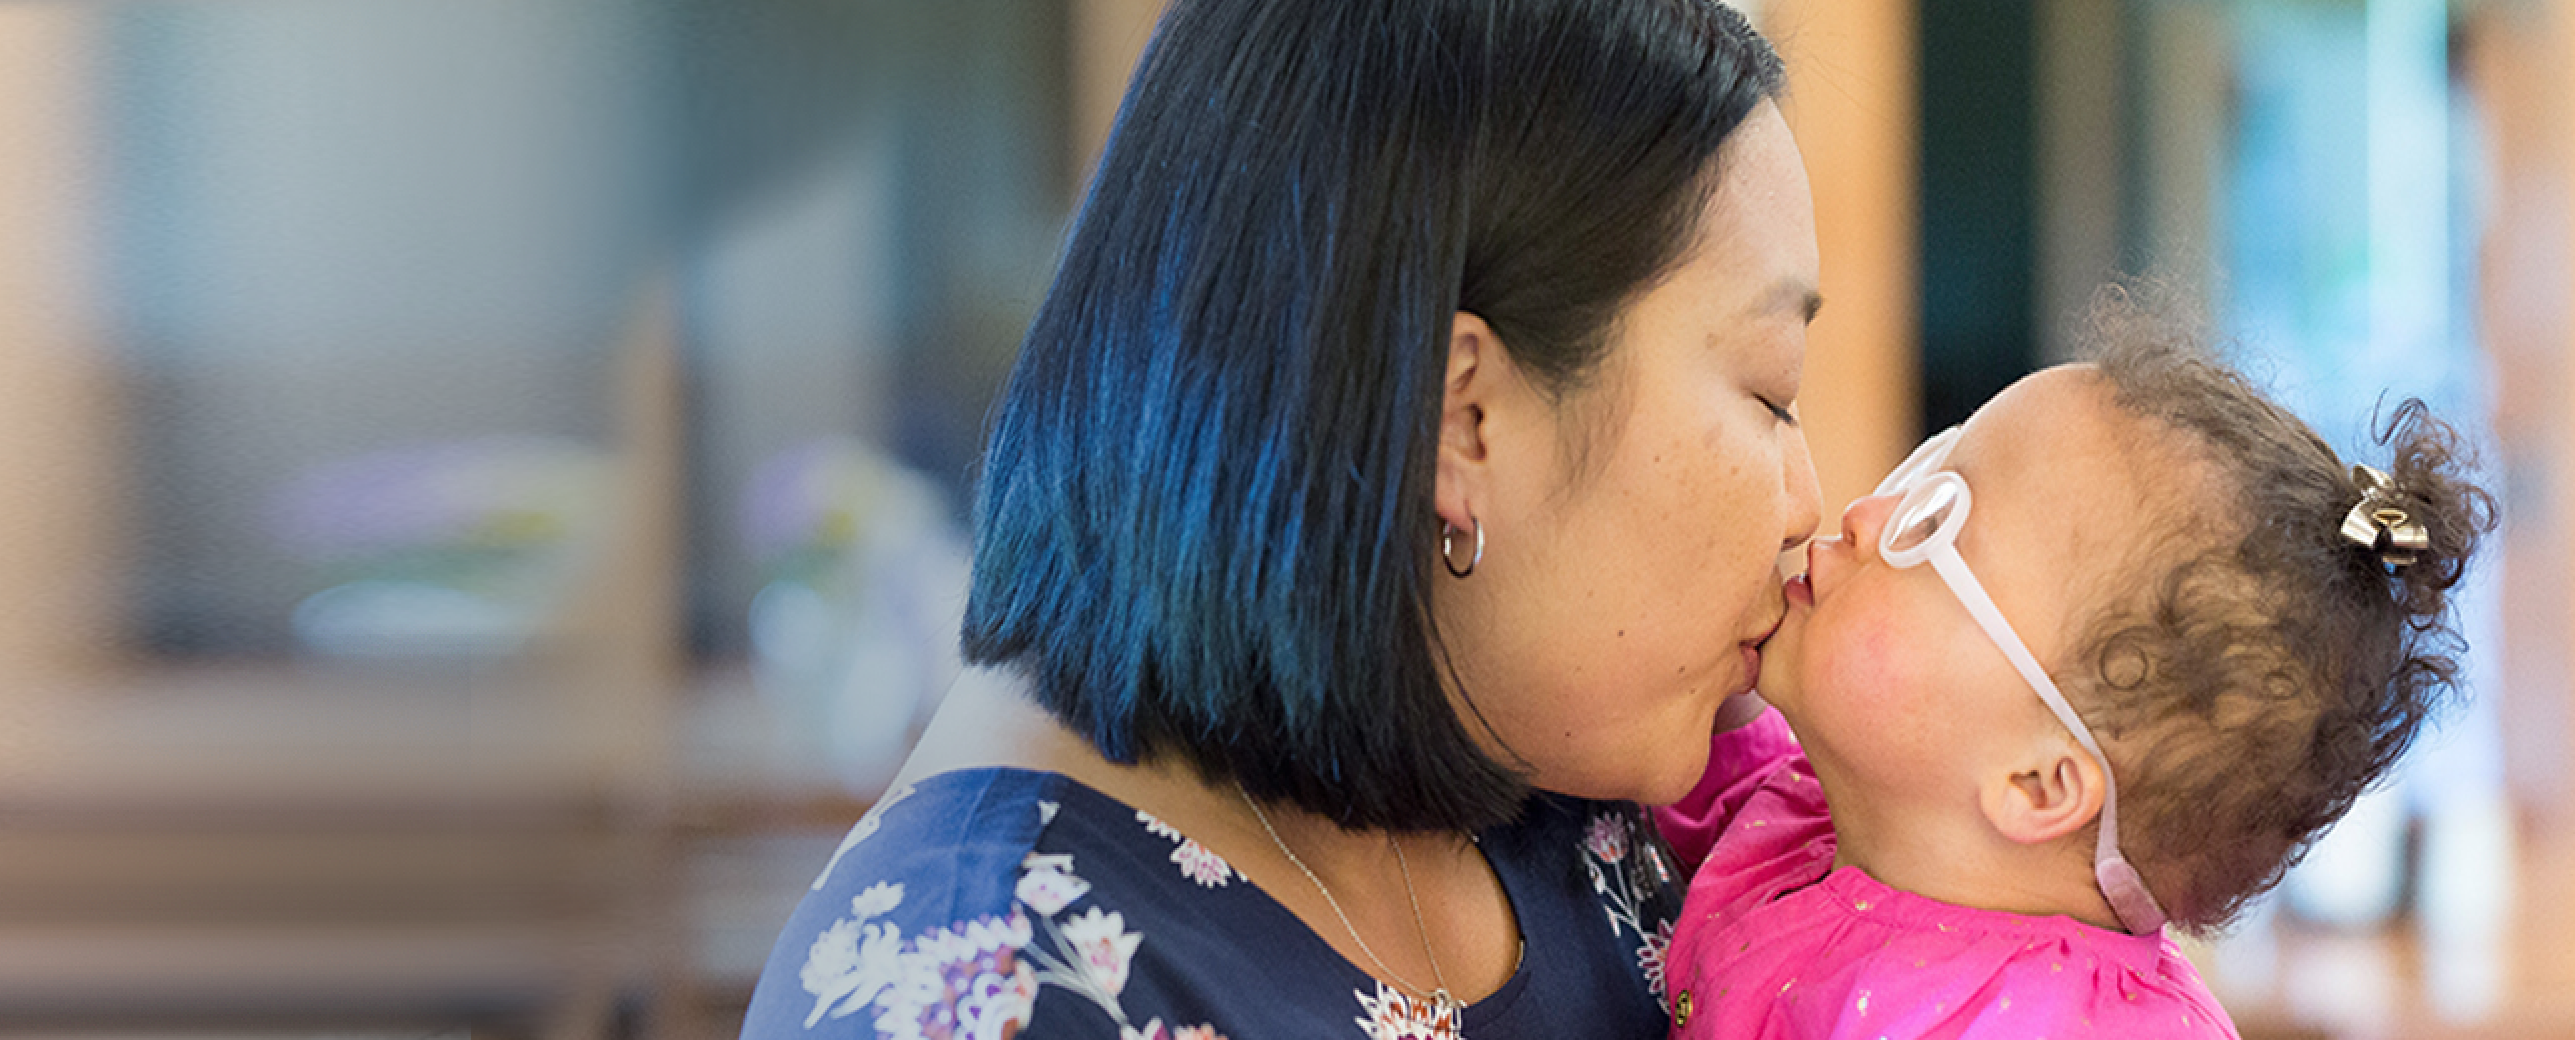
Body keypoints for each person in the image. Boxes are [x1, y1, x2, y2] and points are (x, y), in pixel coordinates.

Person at [738, 0, 1818, 1037]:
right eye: (1772, 394)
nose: (1805, 504)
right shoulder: (996, 995)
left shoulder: (1560, 765)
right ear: (1463, 417)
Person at [1654, 300, 2496, 1039]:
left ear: (2040, 784)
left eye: (1930, 530)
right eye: (1921, 471)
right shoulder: (1797, 809)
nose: (1866, 512)